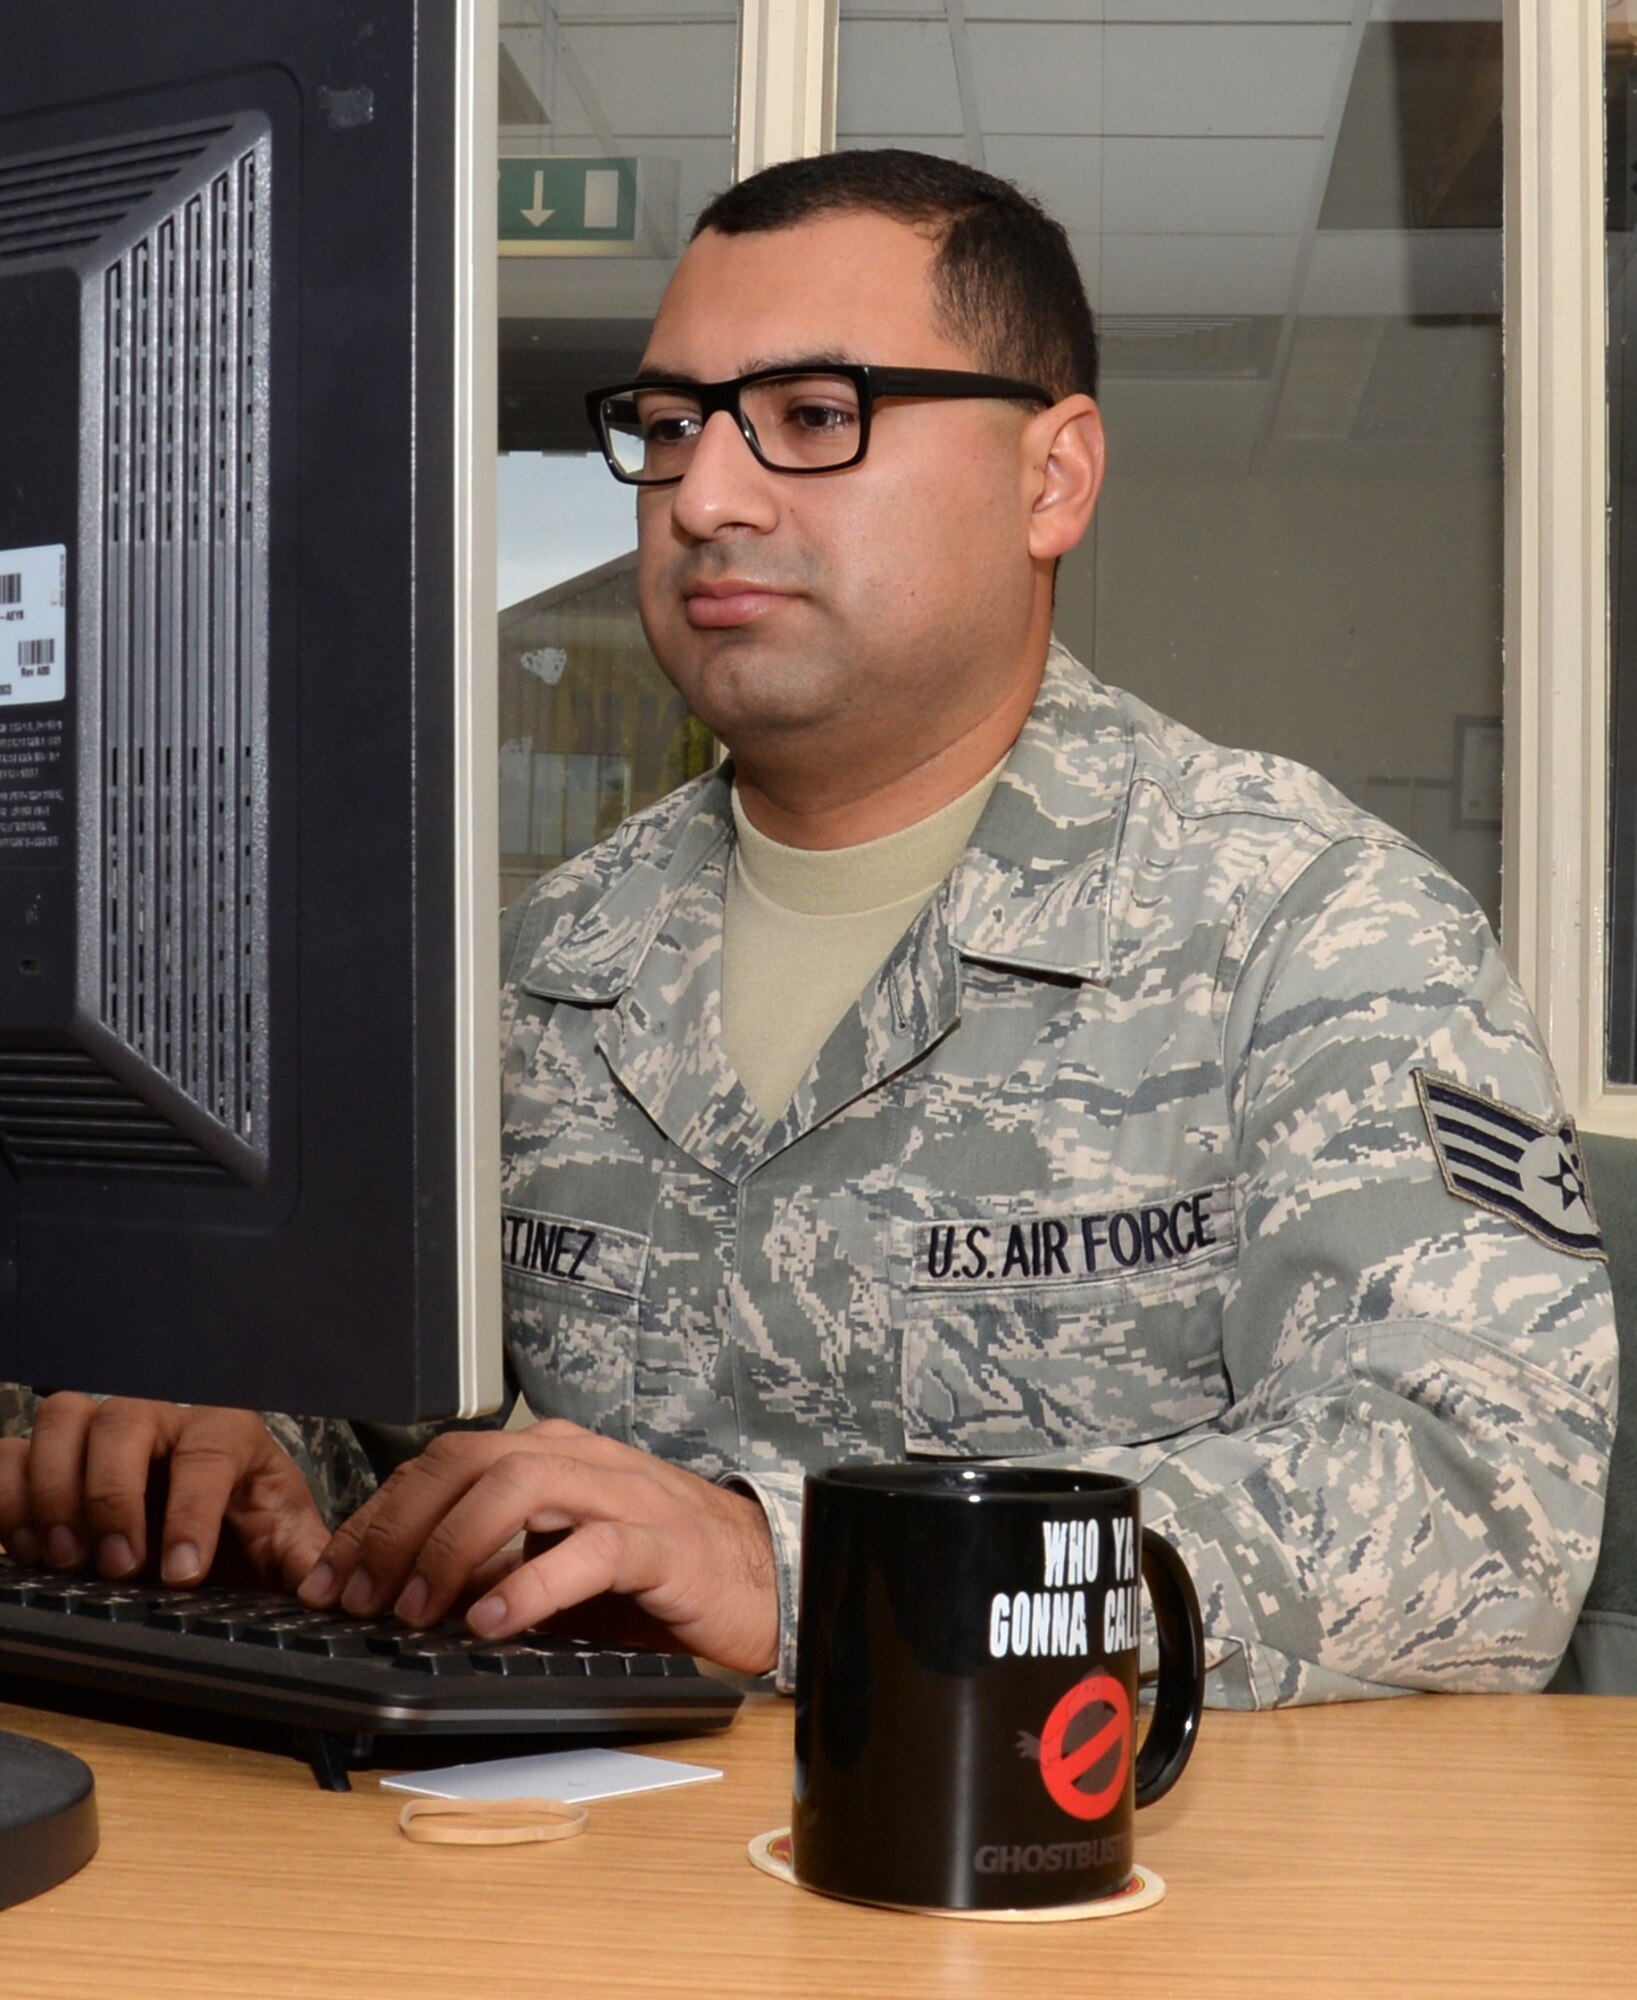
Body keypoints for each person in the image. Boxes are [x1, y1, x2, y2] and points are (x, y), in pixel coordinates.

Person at [0, 151, 1617, 1706]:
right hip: (559, 1904)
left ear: (1051, 476)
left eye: (809, 418)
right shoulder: (535, 965)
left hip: (1051, 1915)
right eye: (665, 425)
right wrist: (242, 1459)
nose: (703, 493)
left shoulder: (1303, 928)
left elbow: (1473, 1503)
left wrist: (799, 1566)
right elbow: (410, 1428)